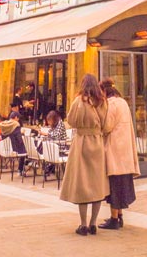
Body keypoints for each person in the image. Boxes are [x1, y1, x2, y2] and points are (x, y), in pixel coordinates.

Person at [60, 73, 109, 236]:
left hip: (81, 142)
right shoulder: (102, 101)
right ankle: (93, 223)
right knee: (96, 185)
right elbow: (106, 124)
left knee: (82, 185)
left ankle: (83, 225)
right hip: (97, 142)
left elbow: (71, 120)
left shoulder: (79, 101)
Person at [99, 78, 140, 231]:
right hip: (125, 149)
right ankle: (119, 216)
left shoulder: (111, 104)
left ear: (104, 91)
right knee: (122, 183)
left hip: (115, 148)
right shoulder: (122, 102)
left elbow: (107, 126)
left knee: (115, 185)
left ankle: (114, 219)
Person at [0, 111, 27, 175]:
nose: (18, 120)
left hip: (6, 149)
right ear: (15, 117)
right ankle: (21, 169)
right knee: (25, 148)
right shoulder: (15, 125)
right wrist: (22, 134)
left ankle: (27, 163)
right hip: (14, 149)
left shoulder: (4, 125)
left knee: (23, 148)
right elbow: (19, 139)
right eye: (18, 118)